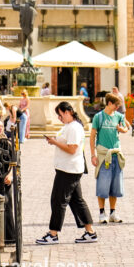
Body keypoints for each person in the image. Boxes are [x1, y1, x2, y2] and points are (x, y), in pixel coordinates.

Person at [35, 102, 97, 245]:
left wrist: (55, 143)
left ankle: (53, 234)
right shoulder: (69, 126)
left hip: (69, 170)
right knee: (76, 201)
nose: (59, 117)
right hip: (68, 168)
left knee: (58, 200)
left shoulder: (75, 127)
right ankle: (90, 232)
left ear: (68, 112)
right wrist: (55, 140)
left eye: (60, 114)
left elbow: (72, 149)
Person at [90, 93, 129, 224]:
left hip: (116, 154)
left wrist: (121, 129)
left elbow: (125, 129)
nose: (118, 107)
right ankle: (102, 213)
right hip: (103, 155)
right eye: (116, 105)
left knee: (115, 186)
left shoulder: (119, 116)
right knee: (102, 185)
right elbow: (92, 136)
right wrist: (92, 155)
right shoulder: (98, 117)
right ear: (109, 103)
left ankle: (113, 212)